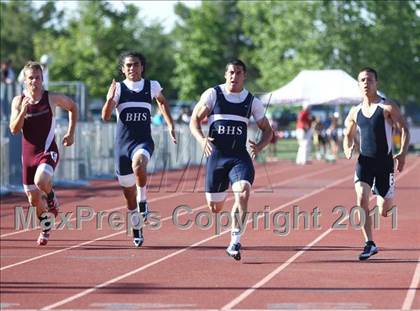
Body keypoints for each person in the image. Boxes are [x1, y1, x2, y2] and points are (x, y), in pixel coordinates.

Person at [189, 59, 273, 260]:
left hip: (239, 157)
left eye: (238, 73)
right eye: (231, 72)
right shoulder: (213, 95)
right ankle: (222, 193)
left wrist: (260, 146)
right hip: (216, 157)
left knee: (243, 192)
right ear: (225, 75)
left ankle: (234, 241)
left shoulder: (252, 101)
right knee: (215, 208)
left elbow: (268, 130)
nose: (234, 76)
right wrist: (201, 139)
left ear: (244, 76)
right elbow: (194, 120)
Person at [102, 51, 176, 247]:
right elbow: (105, 116)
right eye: (128, 66)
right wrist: (109, 100)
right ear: (123, 69)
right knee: (128, 194)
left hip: (143, 141)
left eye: (135, 65)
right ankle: (136, 224)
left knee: (139, 165)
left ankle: (143, 199)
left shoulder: (151, 86)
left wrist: (170, 124)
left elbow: (161, 101)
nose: (132, 69)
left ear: (142, 67)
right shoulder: (117, 89)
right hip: (122, 146)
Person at [343, 67, 410, 260]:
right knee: (361, 198)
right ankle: (369, 243)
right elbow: (347, 133)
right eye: (362, 80)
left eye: (370, 80)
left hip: (384, 164)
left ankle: (383, 194)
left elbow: (404, 128)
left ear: (376, 83)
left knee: (384, 211)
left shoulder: (387, 107)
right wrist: (347, 147)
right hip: (364, 162)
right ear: (358, 84)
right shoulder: (355, 111)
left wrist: (403, 154)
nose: (366, 83)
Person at [9, 61, 78, 245]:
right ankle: (46, 227)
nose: (34, 81)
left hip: (48, 151)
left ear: (42, 79)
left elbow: (73, 107)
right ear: (25, 80)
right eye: (30, 78)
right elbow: (14, 130)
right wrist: (22, 112)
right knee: (33, 201)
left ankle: (51, 196)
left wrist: (71, 133)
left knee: (41, 181)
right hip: (28, 156)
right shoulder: (18, 101)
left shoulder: (51, 98)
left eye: (37, 77)